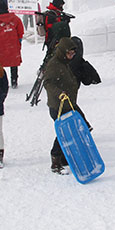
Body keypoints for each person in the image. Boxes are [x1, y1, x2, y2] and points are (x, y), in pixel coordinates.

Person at [43, 36, 84, 174]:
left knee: (71, 130)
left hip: (68, 103)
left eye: (73, 53)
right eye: (69, 53)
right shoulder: (54, 64)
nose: (72, 56)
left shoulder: (64, 62)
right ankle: (55, 160)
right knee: (64, 132)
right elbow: (47, 83)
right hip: (58, 105)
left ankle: (63, 157)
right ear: (62, 52)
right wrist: (60, 93)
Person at [0, 0, 24, 88]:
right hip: (12, 44)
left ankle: (0, 82)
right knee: (13, 62)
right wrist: (19, 40)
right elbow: (20, 30)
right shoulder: (15, 18)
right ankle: (14, 81)